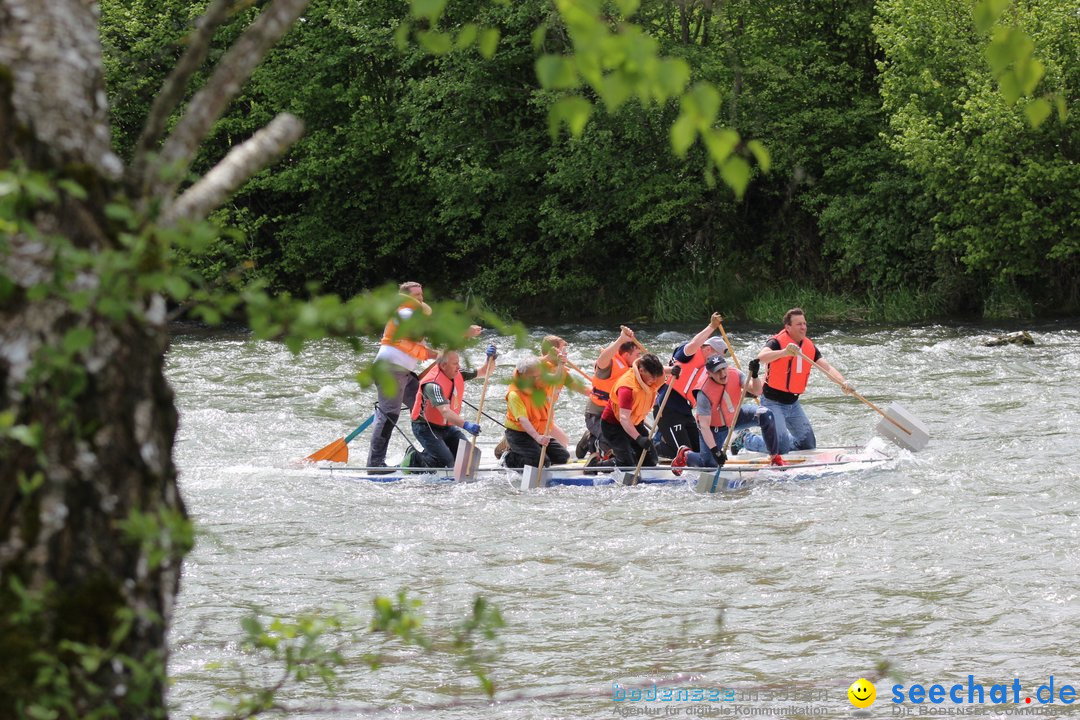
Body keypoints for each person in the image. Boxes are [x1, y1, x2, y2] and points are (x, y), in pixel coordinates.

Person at [366, 281, 481, 469]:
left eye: (421, 295)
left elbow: (424, 348)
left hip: (405, 373)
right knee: (390, 416)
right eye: (416, 295)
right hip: (389, 371)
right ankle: (375, 464)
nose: (420, 298)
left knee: (427, 410)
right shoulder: (404, 314)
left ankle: (433, 456)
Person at [740, 308, 852, 455]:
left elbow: (828, 368)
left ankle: (780, 443)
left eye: (804, 323)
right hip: (772, 402)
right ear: (788, 327)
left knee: (807, 445)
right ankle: (745, 439)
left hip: (793, 403)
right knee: (780, 449)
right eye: (799, 324)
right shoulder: (776, 342)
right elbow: (761, 357)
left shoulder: (809, 347)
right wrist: (785, 352)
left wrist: (843, 383)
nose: (803, 327)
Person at [672, 355, 784, 471]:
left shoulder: (735, 373)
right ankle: (685, 455)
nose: (723, 374)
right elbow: (704, 426)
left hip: (735, 416)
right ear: (709, 374)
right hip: (714, 428)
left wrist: (755, 376)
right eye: (717, 372)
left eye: (723, 369)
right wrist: (716, 451)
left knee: (766, 414)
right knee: (709, 465)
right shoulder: (703, 393)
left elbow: (757, 391)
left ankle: (774, 457)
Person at [653, 313, 729, 458]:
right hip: (668, 404)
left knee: (699, 452)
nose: (717, 360)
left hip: (686, 410)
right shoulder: (689, 352)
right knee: (684, 453)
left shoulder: (710, 367)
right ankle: (654, 448)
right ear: (707, 349)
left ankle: (663, 438)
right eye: (716, 354)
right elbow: (695, 342)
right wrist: (712, 326)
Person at [406, 347, 496, 469]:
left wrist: (490, 359)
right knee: (445, 462)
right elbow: (445, 411)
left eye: (458, 363)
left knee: (468, 456)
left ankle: (435, 451)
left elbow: (485, 372)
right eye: (455, 364)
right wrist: (466, 425)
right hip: (426, 427)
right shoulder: (432, 384)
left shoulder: (458, 373)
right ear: (443, 366)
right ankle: (414, 458)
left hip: (447, 427)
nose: (458, 366)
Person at [577, 326, 641, 459]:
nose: (639, 359)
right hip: (596, 414)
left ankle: (594, 437)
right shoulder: (610, 363)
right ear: (627, 355)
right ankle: (591, 442)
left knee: (631, 446)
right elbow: (602, 360)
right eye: (637, 355)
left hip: (615, 414)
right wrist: (621, 339)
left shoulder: (631, 367)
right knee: (613, 444)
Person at [598, 353, 668, 468]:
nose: (654, 380)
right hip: (614, 425)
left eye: (656, 376)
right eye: (652, 377)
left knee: (651, 461)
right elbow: (624, 418)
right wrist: (639, 438)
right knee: (627, 464)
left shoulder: (650, 375)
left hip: (635, 422)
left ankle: (629, 455)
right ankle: (597, 464)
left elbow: (661, 371)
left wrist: (673, 370)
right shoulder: (627, 388)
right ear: (641, 371)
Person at [502, 358, 571, 468]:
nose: (538, 379)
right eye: (534, 377)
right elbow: (523, 420)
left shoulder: (538, 379)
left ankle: (537, 454)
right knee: (541, 462)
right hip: (519, 434)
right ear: (523, 375)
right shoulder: (514, 394)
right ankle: (509, 458)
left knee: (563, 457)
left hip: (538, 431)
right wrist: (537, 437)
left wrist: (560, 365)